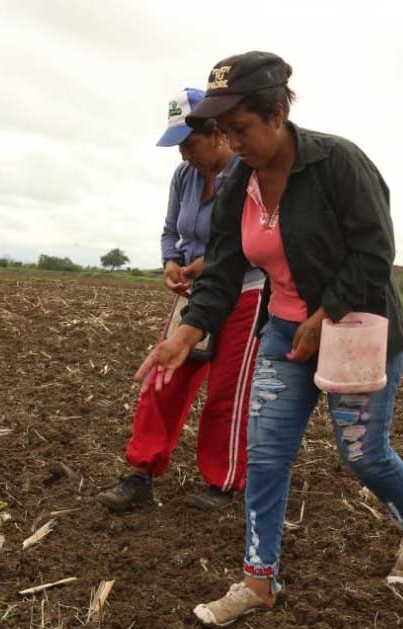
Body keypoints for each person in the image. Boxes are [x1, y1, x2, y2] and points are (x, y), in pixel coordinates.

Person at [139, 52, 403, 627]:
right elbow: (224, 272)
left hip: (356, 331)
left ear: (277, 113)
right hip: (282, 334)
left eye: (241, 129)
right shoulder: (238, 185)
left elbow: (375, 253)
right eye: (224, 131)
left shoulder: (339, 164)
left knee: (362, 454)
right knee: (267, 455)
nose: (233, 142)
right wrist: (188, 331)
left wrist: (326, 313)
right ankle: (259, 580)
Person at [96, 88, 265, 512]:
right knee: (163, 378)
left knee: (227, 390)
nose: (184, 155)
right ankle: (141, 472)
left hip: (245, 291)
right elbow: (171, 229)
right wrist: (171, 260)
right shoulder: (184, 177)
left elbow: (253, 239)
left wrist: (206, 264)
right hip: (193, 295)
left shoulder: (250, 176)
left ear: (219, 134)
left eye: (190, 144)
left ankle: (222, 483)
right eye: (178, 147)